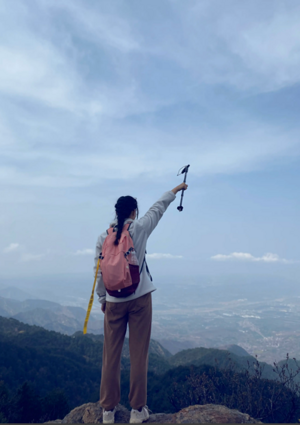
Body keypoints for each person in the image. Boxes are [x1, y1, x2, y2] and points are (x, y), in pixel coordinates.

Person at [95, 183, 188, 424]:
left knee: (110, 356)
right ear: (134, 212)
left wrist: (104, 299)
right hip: (139, 299)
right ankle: (137, 411)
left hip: (114, 302)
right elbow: (158, 209)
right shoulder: (139, 228)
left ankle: (108, 411)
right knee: (139, 355)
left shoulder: (103, 237)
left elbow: (98, 272)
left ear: (116, 212)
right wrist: (174, 191)